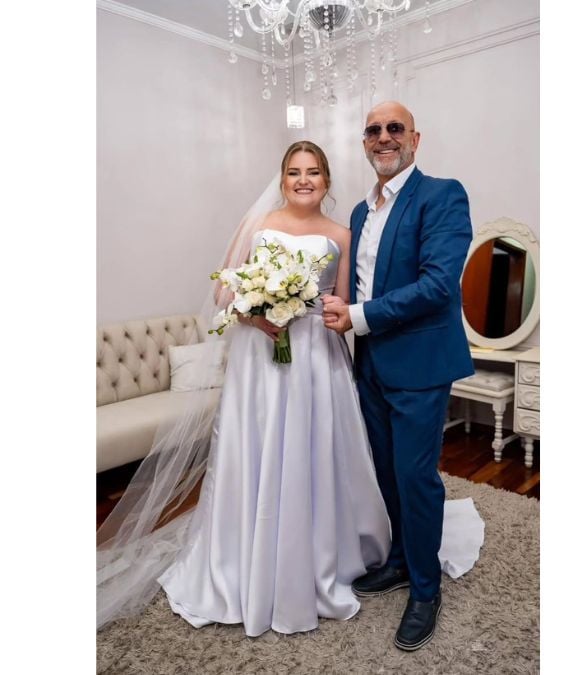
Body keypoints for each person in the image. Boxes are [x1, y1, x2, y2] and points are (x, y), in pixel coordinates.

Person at [95, 140, 483, 639]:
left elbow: (344, 300)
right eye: (295, 172)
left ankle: (330, 555)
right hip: (260, 358)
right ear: (282, 180)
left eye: (314, 172)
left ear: (326, 181)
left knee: (317, 451)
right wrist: (256, 313)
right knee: (258, 449)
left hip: (317, 358)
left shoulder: (343, 230)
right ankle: (251, 553)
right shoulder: (258, 224)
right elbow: (224, 290)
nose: (304, 180)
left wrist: (315, 311)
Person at [322, 101, 476, 651]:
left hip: (420, 363)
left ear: (415, 138)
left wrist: (358, 317)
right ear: (365, 143)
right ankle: (398, 560)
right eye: (373, 131)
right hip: (369, 364)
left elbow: (437, 285)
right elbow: (357, 284)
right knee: (384, 472)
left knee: (415, 477)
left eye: (394, 129)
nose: (383, 137)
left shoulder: (442, 195)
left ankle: (426, 590)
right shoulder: (359, 213)